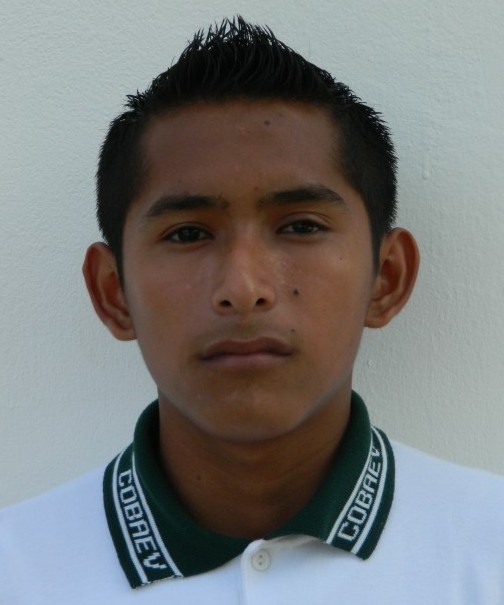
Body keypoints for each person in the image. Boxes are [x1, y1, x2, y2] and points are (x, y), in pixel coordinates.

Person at [1, 17, 503, 604]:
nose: (243, 289)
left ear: (385, 278)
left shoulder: (488, 552)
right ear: (114, 293)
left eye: (301, 226)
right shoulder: (16, 570)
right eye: (188, 234)